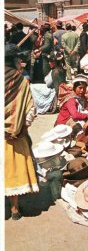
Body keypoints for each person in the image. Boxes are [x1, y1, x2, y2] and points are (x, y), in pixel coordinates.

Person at [5, 44, 39, 220]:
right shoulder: (21, 81)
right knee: (15, 171)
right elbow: (30, 109)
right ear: (13, 60)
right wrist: (22, 128)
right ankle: (15, 209)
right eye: (19, 59)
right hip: (15, 136)